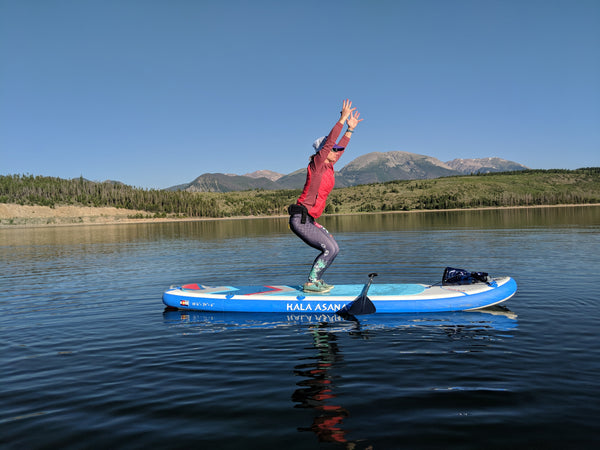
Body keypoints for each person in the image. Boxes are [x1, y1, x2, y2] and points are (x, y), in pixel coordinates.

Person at [289, 99, 363, 293]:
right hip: (301, 218)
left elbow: (338, 149)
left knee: (334, 249)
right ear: (323, 151)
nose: (336, 151)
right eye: (333, 149)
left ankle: (317, 280)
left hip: (310, 220)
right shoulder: (317, 164)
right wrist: (342, 119)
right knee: (329, 249)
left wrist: (350, 130)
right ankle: (311, 283)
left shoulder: (329, 167)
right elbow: (330, 142)